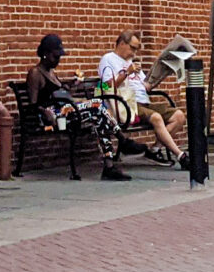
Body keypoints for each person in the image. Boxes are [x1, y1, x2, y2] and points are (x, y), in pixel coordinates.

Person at [24, 34, 128, 180]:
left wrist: (72, 85)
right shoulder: (35, 73)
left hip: (66, 112)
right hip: (51, 117)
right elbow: (33, 103)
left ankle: (109, 165)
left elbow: (60, 94)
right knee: (97, 105)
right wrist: (43, 111)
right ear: (46, 54)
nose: (58, 60)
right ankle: (123, 140)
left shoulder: (51, 72)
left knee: (99, 118)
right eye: (55, 56)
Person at [98, 33, 186, 166]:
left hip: (144, 102)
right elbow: (106, 86)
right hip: (127, 104)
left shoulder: (130, 63)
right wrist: (126, 73)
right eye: (132, 48)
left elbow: (145, 87)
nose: (134, 53)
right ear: (122, 43)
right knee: (156, 117)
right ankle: (180, 155)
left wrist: (163, 73)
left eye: (136, 50)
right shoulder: (108, 59)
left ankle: (154, 150)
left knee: (179, 116)